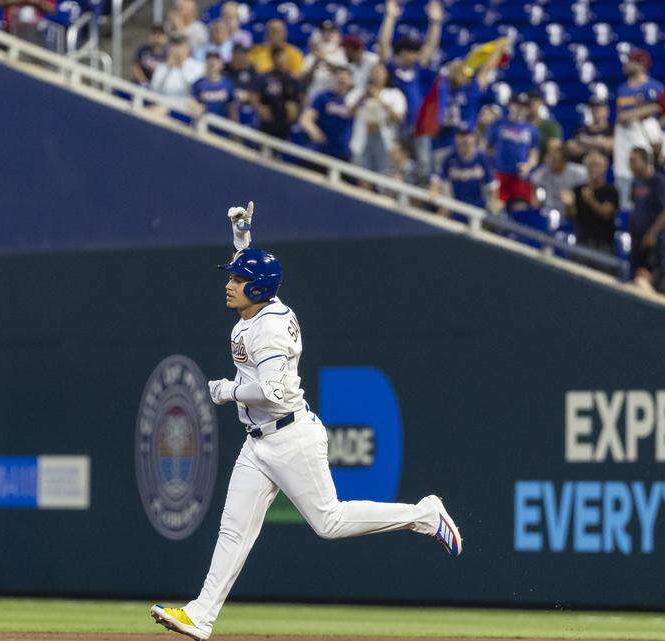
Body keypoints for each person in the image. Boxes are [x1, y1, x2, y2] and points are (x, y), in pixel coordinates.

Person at [148, 202, 462, 641]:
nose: (229, 284)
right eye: (232, 276)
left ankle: (423, 515)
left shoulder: (268, 329)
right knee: (233, 531)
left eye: (237, 279)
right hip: (258, 442)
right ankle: (201, 615)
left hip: (290, 437)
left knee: (329, 522)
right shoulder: (263, 307)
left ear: (257, 288)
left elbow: (273, 392)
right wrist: (242, 238)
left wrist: (227, 391)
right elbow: (259, 278)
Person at [378, 0, 444, 182]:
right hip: (398, 124)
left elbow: (430, 46)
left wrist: (435, 22)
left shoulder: (415, 70)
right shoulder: (392, 69)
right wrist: (390, 17)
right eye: (413, 53)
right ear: (403, 53)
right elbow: (383, 44)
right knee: (396, 163)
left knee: (424, 166)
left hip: (418, 124)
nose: (416, 56)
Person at [614, 49, 665, 209]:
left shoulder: (657, 88)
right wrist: (646, 109)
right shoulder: (622, 89)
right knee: (625, 187)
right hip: (625, 142)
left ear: (640, 64)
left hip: (646, 142)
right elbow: (621, 117)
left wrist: (653, 132)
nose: (626, 64)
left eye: (630, 61)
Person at [347, 65, 407, 177]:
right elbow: (349, 113)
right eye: (374, 72)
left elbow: (399, 118)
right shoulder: (359, 92)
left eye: (379, 72)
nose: (376, 75)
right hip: (361, 141)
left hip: (386, 143)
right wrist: (363, 97)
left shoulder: (394, 94)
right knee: (363, 178)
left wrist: (380, 99)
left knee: (385, 179)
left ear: (386, 75)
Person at [485, 93, 540, 210]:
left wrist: (528, 166)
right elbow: (487, 149)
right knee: (495, 208)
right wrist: (491, 168)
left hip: (519, 176)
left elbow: (534, 154)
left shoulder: (532, 129)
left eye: (524, 106)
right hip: (499, 174)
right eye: (517, 104)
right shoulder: (497, 124)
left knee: (521, 208)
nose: (520, 108)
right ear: (510, 105)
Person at [629, 147, 665, 272]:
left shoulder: (659, 182)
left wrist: (652, 233)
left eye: (634, 161)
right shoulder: (635, 182)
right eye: (630, 161)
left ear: (645, 161)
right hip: (638, 238)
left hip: (656, 240)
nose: (631, 165)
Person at [432, 125, 497, 214]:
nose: (465, 139)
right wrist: (434, 190)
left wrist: (493, 201)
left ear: (474, 138)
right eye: (461, 136)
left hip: (478, 207)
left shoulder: (482, 158)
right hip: (458, 206)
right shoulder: (450, 157)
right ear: (456, 138)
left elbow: (492, 184)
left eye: (468, 135)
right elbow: (437, 178)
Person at [563, 152, 620, 252]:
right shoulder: (577, 189)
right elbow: (571, 215)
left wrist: (591, 200)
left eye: (597, 165)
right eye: (590, 165)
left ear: (604, 168)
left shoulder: (611, 191)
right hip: (582, 242)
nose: (593, 168)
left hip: (603, 245)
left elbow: (607, 214)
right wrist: (569, 205)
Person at [300, 67, 355, 161]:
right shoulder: (323, 97)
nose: (342, 83)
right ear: (333, 79)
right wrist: (315, 132)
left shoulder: (353, 101)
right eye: (339, 79)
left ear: (350, 82)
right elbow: (306, 119)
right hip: (321, 149)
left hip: (342, 152)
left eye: (345, 80)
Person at [252, 48, 302, 139]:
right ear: (273, 58)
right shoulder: (265, 77)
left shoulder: (291, 79)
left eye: (284, 56)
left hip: (285, 118)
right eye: (279, 56)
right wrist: (260, 108)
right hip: (268, 117)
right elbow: (254, 95)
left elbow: (298, 98)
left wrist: (295, 109)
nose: (282, 59)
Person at [529, 139, 587, 214]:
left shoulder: (579, 172)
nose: (553, 161)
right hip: (547, 211)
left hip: (570, 213)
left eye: (556, 158)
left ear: (564, 158)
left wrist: (572, 200)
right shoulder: (542, 172)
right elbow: (535, 199)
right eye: (551, 157)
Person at [149, 36, 206, 111]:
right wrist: (169, 69)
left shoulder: (199, 67)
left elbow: (195, 90)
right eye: (174, 46)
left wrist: (181, 67)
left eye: (180, 47)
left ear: (187, 48)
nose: (177, 50)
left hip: (187, 107)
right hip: (164, 104)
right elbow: (154, 90)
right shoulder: (162, 67)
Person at [302, 22, 348, 106]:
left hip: (332, 98)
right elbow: (304, 81)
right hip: (314, 96)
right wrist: (315, 63)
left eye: (330, 31)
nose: (327, 34)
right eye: (324, 31)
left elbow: (342, 73)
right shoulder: (310, 57)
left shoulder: (341, 54)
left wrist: (324, 60)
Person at [190, 53, 238, 120]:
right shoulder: (197, 84)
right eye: (210, 61)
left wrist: (234, 122)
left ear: (221, 65)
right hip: (204, 122)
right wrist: (196, 107)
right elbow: (192, 102)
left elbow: (232, 106)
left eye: (215, 61)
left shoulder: (227, 83)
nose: (212, 63)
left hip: (222, 123)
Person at [566, 96, 615, 162]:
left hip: (608, 165)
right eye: (593, 108)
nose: (596, 110)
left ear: (607, 111)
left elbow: (611, 145)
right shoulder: (581, 130)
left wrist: (584, 140)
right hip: (583, 166)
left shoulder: (614, 129)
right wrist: (600, 143)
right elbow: (571, 147)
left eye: (599, 108)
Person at [226, 45, 261, 128]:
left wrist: (248, 95)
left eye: (243, 54)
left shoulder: (251, 69)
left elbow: (257, 91)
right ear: (233, 56)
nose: (240, 57)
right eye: (237, 54)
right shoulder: (225, 68)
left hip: (247, 102)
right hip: (228, 102)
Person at [528, 90, 563, 162]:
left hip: (541, 165)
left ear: (541, 103)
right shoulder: (515, 125)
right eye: (528, 102)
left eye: (534, 101)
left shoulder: (551, 126)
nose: (530, 104)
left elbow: (554, 151)